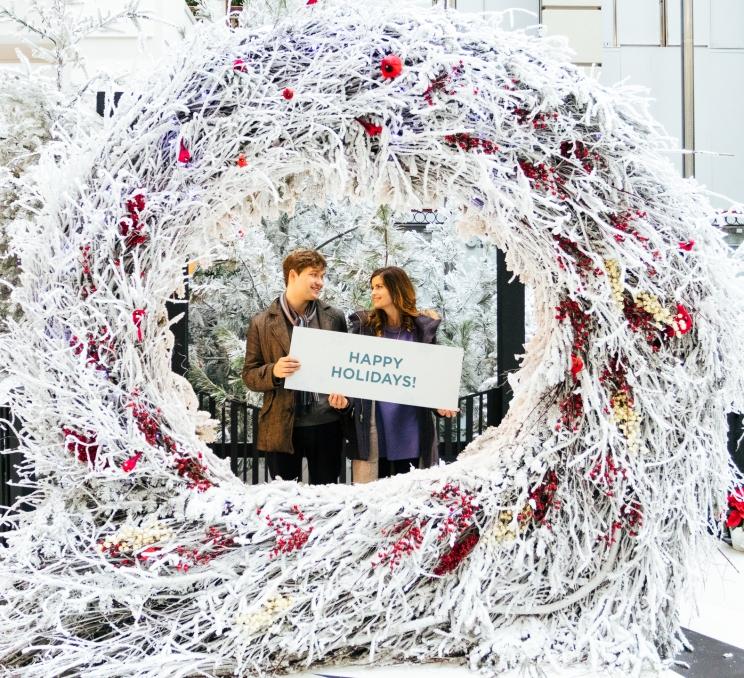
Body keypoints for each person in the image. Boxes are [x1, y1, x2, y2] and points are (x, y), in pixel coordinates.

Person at [335, 266, 457, 483]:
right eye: (372, 287)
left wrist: (440, 404)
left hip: (410, 430)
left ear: (397, 289)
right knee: (374, 499)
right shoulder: (365, 328)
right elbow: (352, 377)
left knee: (409, 497)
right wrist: (346, 402)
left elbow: (432, 379)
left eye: (379, 287)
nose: (373, 292)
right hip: (374, 429)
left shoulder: (422, 331)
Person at [242, 249, 349, 485]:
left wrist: (345, 398)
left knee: (328, 498)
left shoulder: (335, 318)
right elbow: (249, 374)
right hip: (281, 426)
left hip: (327, 425)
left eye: (322, 276)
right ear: (293, 275)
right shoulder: (261, 322)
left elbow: (346, 368)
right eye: (314, 275)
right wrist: (274, 371)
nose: (320, 282)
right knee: (285, 501)